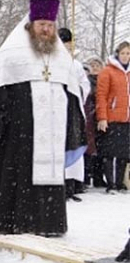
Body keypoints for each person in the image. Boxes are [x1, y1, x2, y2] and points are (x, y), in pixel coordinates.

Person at [0, 0, 86, 237]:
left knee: (48, 176)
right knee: (15, 176)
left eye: (50, 25)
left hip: (51, 136)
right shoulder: (11, 54)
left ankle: (48, 224)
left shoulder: (62, 58)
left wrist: (71, 128)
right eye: (42, 24)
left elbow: (73, 94)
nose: (46, 29)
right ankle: (13, 223)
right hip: (16, 136)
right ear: (31, 25)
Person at [59, 28, 90, 202]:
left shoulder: (76, 65)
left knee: (72, 144)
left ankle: (71, 185)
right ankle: (60, 186)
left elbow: (85, 85)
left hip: (73, 109)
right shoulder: (52, 62)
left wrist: (76, 91)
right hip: (58, 109)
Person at [96, 41, 130, 193]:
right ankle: (111, 183)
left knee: (124, 153)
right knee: (111, 153)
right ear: (118, 54)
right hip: (112, 117)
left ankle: (120, 182)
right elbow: (101, 95)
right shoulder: (108, 71)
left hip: (127, 118)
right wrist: (102, 117)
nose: (125, 56)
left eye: (128, 53)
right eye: (123, 53)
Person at [83, 57, 105, 187]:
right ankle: (86, 176)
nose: (95, 67)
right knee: (89, 147)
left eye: (98, 65)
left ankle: (98, 176)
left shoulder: (104, 80)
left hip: (102, 117)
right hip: (90, 117)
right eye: (93, 65)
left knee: (101, 148)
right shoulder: (86, 81)